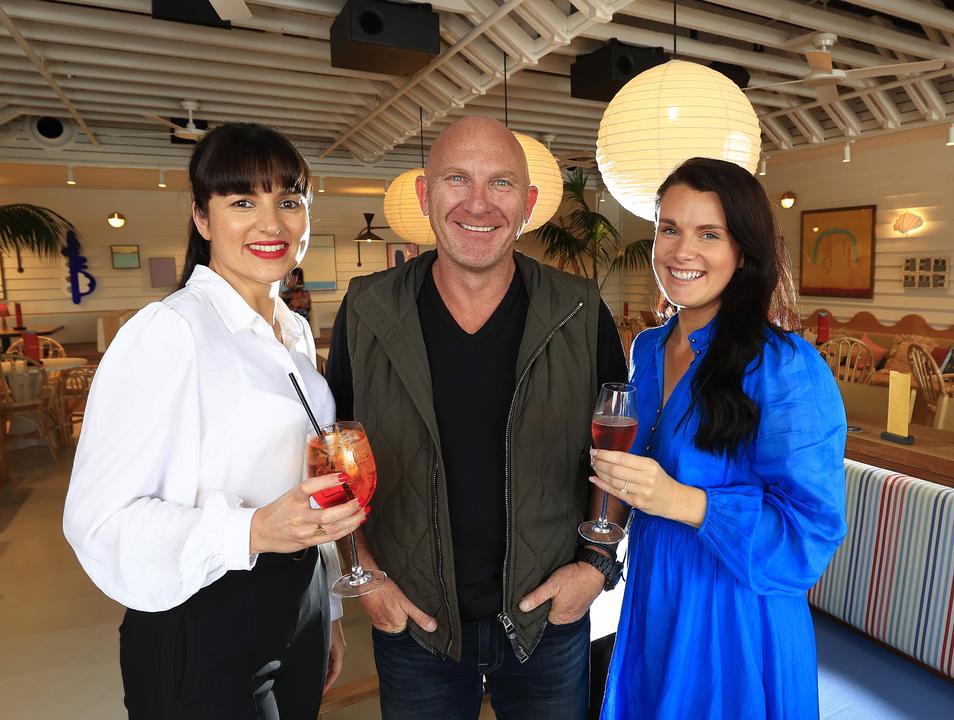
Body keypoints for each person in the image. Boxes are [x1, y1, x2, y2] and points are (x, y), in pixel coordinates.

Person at [325, 116, 628, 719]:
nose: (478, 203)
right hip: (416, 624)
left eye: (501, 184)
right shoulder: (367, 309)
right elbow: (337, 458)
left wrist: (596, 567)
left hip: (547, 621)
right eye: (457, 178)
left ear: (528, 203)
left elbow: (615, 455)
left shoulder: (579, 310)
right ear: (423, 194)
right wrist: (366, 576)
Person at [64, 123, 363, 720]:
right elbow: (97, 520)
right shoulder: (169, 331)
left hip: (295, 598)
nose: (272, 223)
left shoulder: (294, 331)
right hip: (204, 615)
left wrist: (323, 611)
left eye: (289, 200)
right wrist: (250, 532)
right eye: (243, 201)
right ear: (202, 218)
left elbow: (301, 484)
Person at [590, 157, 848, 719]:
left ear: (744, 251)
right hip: (656, 597)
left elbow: (812, 532)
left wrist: (685, 501)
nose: (683, 252)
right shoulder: (650, 351)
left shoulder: (785, 367)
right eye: (669, 229)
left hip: (735, 619)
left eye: (710, 234)